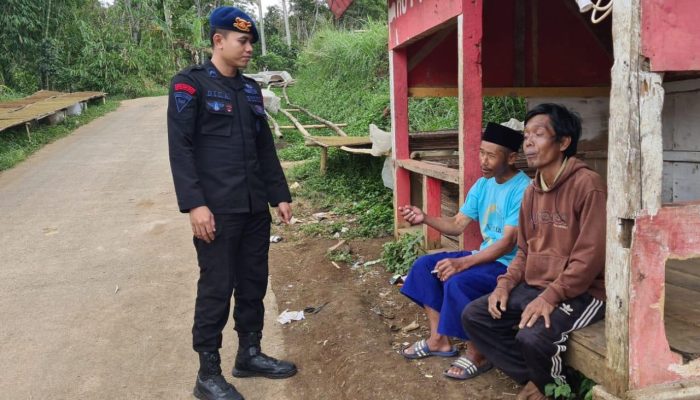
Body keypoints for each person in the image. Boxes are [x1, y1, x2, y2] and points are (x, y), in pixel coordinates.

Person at [167, 7, 296, 400]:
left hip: (254, 207)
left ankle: (250, 354)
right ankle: (207, 374)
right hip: (217, 210)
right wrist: (195, 205)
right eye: (242, 41)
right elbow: (181, 149)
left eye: (251, 42)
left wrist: (280, 194)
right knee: (217, 287)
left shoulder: (250, 90)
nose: (249, 49)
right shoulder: (190, 86)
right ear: (218, 41)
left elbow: (264, 149)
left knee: (254, 281)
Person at [462, 104, 606, 400]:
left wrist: (550, 297)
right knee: (476, 315)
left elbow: (590, 258)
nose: (528, 142)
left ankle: (554, 390)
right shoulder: (531, 191)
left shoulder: (587, 185)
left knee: (533, 335)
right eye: (526, 135)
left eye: (538, 134)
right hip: (537, 284)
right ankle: (543, 381)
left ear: (564, 142)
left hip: (584, 291)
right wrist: (504, 284)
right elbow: (524, 251)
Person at [398, 123, 530, 380]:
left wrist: (464, 263)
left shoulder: (523, 189)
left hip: (508, 265)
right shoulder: (483, 185)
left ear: (512, 158)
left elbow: (507, 244)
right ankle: (438, 340)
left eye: (491, 155)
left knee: (459, 281)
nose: (483, 160)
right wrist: (425, 217)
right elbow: (457, 224)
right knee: (425, 267)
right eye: (481, 152)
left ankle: (477, 354)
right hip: (483, 256)